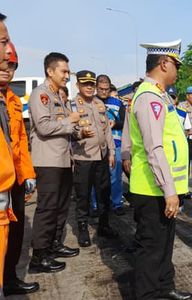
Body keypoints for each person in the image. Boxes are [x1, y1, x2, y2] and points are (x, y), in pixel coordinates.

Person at [129, 39, 192, 300]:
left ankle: (165, 287)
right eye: (176, 64)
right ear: (164, 63)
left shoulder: (159, 95)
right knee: (151, 248)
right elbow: (154, 148)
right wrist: (169, 192)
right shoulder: (149, 97)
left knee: (164, 245)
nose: (177, 70)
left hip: (164, 187)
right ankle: (147, 294)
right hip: (153, 188)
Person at [28, 52, 82, 273]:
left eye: (68, 71)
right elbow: (44, 127)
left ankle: (54, 245)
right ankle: (39, 257)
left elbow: (62, 128)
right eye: (64, 71)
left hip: (62, 160)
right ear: (50, 72)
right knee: (47, 209)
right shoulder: (40, 95)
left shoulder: (58, 97)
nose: (67, 75)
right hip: (48, 161)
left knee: (61, 207)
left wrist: (79, 132)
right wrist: (70, 121)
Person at [0, 41, 40, 296]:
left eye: (12, 66)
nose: (7, 69)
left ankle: (10, 278)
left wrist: (27, 175)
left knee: (15, 234)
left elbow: (21, 142)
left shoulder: (14, 101)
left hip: (13, 178)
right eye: (4, 64)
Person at [71, 70, 117, 247]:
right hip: (83, 157)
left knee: (104, 193)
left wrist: (112, 152)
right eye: (85, 84)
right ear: (78, 86)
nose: (89, 88)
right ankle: (82, 230)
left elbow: (107, 132)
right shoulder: (72, 105)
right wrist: (80, 132)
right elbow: (68, 130)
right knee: (83, 196)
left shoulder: (99, 104)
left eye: (91, 85)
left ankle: (104, 225)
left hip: (102, 156)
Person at [0, 13, 18, 298]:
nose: (7, 51)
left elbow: (18, 142)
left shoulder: (9, 99)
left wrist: (25, 175)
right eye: (3, 42)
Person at [95, 74, 126, 215]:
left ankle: (116, 203)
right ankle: (95, 204)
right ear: (96, 88)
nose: (103, 91)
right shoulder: (90, 102)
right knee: (96, 177)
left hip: (116, 143)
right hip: (96, 145)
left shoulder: (118, 103)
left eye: (106, 89)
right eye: (101, 89)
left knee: (115, 176)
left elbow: (125, 123)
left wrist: (115, 124)